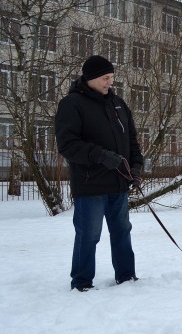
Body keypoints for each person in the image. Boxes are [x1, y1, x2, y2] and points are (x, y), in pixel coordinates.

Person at [55, 55, 144, 292]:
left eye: (111, 78)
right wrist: (101, 155)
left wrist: (136, 168)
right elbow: (67, 144)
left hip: (119, 182)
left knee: (122, 231)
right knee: (89, 235)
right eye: (105, 78)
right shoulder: (72, 104)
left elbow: (132, 142)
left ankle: (126, 277)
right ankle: (82, 282)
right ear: (91, 78)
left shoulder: (118, 104)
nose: (109, 83)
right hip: (90, 183)